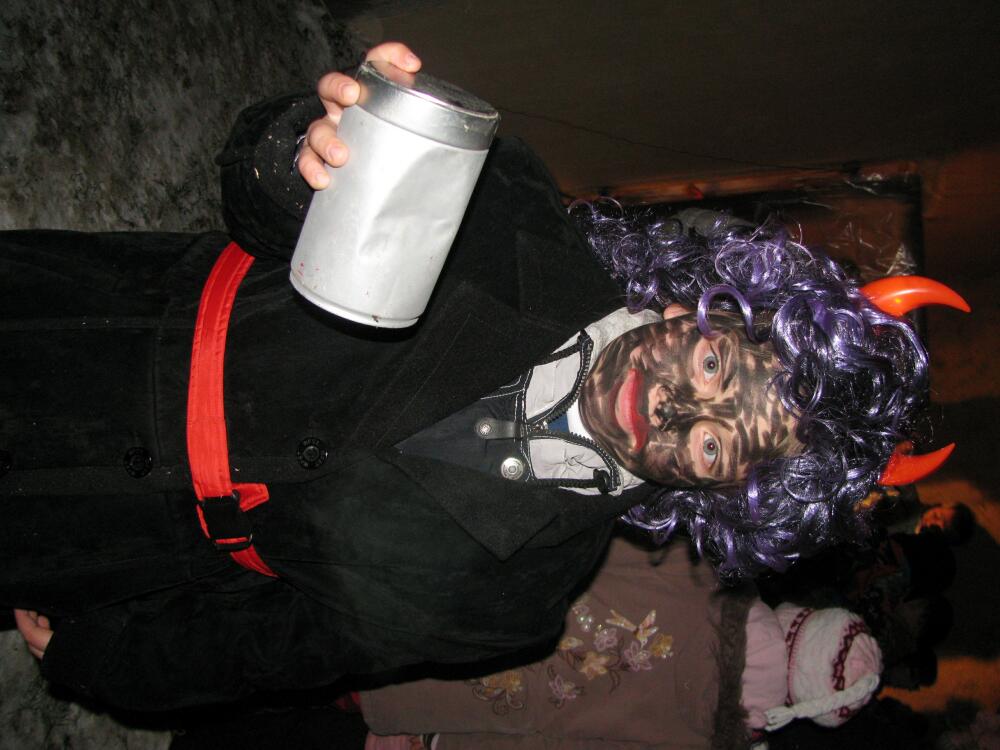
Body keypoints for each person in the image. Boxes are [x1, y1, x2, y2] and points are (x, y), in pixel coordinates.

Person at [4, 42, 934, 711]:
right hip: (85, 328)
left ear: (716, 493)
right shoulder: (512, 209)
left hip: (86, 535)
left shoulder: (518, 598)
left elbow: (276, 644)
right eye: (713, 365)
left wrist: (109, 656)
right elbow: (264, 193)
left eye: (713, 443)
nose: (674, 405)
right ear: (703, 309)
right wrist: (303, 152)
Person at [355, 535, 883, 750]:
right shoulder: (697, 740)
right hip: (437, 713)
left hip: (430, 601)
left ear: (801, 619)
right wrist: (435, 740)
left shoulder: (698, 563)